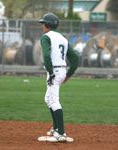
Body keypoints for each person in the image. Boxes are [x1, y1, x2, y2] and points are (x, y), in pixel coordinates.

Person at [38, 13, 79, 142]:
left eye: (43, 23)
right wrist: (69, 74)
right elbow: (75, 58)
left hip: (54, 70)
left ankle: (61, 133)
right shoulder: (63, 38)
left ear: (48, 25)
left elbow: (46, 56)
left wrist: (50, 72)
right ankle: (56, 128)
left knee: (54, 101)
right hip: (61, 70)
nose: (42, 26)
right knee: (48, 98)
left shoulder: (46, 37)